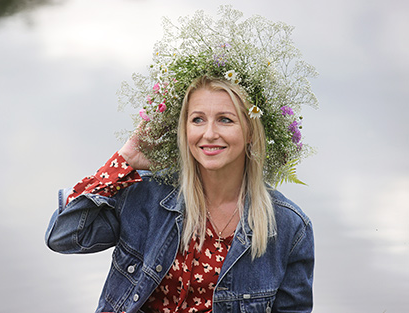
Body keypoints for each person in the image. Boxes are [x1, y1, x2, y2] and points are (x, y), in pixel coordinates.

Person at [46, 7, 316, 313]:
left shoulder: (289, 228)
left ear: (252, 131)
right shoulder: (145, 197)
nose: (209, 133)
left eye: (225, 120)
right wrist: (124, 160)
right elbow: (63, 237)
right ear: (183, 128)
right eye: (198, 119)